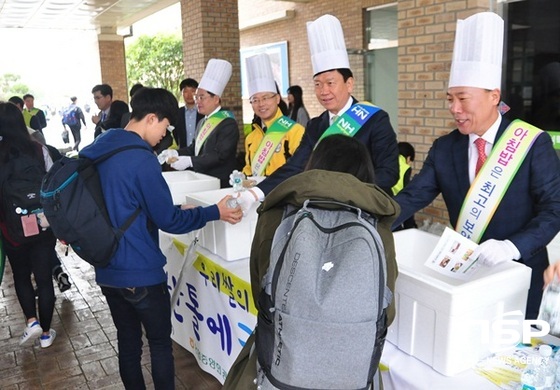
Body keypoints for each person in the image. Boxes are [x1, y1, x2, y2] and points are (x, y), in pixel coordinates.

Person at [392, 12, 560, 320]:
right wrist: (369, 224)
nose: (454, 109)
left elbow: (554, 209)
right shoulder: (446, 148)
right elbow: (412, 196)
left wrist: (512, 246)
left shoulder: (531, 143)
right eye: (450, 99)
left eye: (463, 99)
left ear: (493, 96)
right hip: (464, 275)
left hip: (519, 273)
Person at [78, 87, 243, 390]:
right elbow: (168, 220)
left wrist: (178, 207)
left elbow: (128, 204)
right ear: (151, 118)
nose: (164, 136)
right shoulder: (141, 158)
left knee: (128, 344)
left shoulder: (99, 145)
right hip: (141, 270)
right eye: (165, 127)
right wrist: (213, 212)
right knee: (158, 344)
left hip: (107, 268)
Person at [223, 134, 400, 389]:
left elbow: (261, 291)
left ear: (314, 164)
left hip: (279, 370)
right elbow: (386, 310)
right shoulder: (376, 221)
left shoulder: (277, 212)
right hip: (353, 373)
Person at [238, 14, 399, 207]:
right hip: (323, 210)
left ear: (349, 83)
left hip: (365, 210)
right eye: (317, 84)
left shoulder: (375, 119)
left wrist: (345, 197)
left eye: (330, 83)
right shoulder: (316, 125)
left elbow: (388, 173)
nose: (324, 91)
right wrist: (255, 193)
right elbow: (295, 167)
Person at [0, 102, 57, 348]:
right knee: (44, 280)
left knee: (21, 277)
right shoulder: (38, 149)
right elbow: (54, 183)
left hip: (10, 228)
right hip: (42, 223)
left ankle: (31, 321)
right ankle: (46, 334)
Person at [167, 59, 240, 188]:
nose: (197, 102)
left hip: (220, 182)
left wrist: (190, 161)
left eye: (201, 97)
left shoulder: (227, 123)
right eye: (197, 97)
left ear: (216, 99)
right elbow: (194, 148)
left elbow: (220, 155)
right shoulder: (202, 122)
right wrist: (176, 153)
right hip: (203, 179)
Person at [242, 53, 304, 178]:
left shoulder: (294, 131)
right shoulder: (251, 138)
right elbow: (249, 169)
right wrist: (242, 177)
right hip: (254, 195)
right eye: (255, 100)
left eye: (265, 98)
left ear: (277, 99)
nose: (261, 104)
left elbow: (300, 169)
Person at [392, 141, 417, 230]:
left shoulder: (388, 159)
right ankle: (409, 230)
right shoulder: (405, 167)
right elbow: (407, 190)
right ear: (408, 157)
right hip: (395, 201)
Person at [173, 78, 204, 149]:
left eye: (192, 91)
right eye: (186, 91)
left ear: (197, 93)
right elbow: (175, 134)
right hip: (183, 153)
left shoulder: (203, 112)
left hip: (201, 154)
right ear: (181, 93)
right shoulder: (177, 113)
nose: (189, 95)